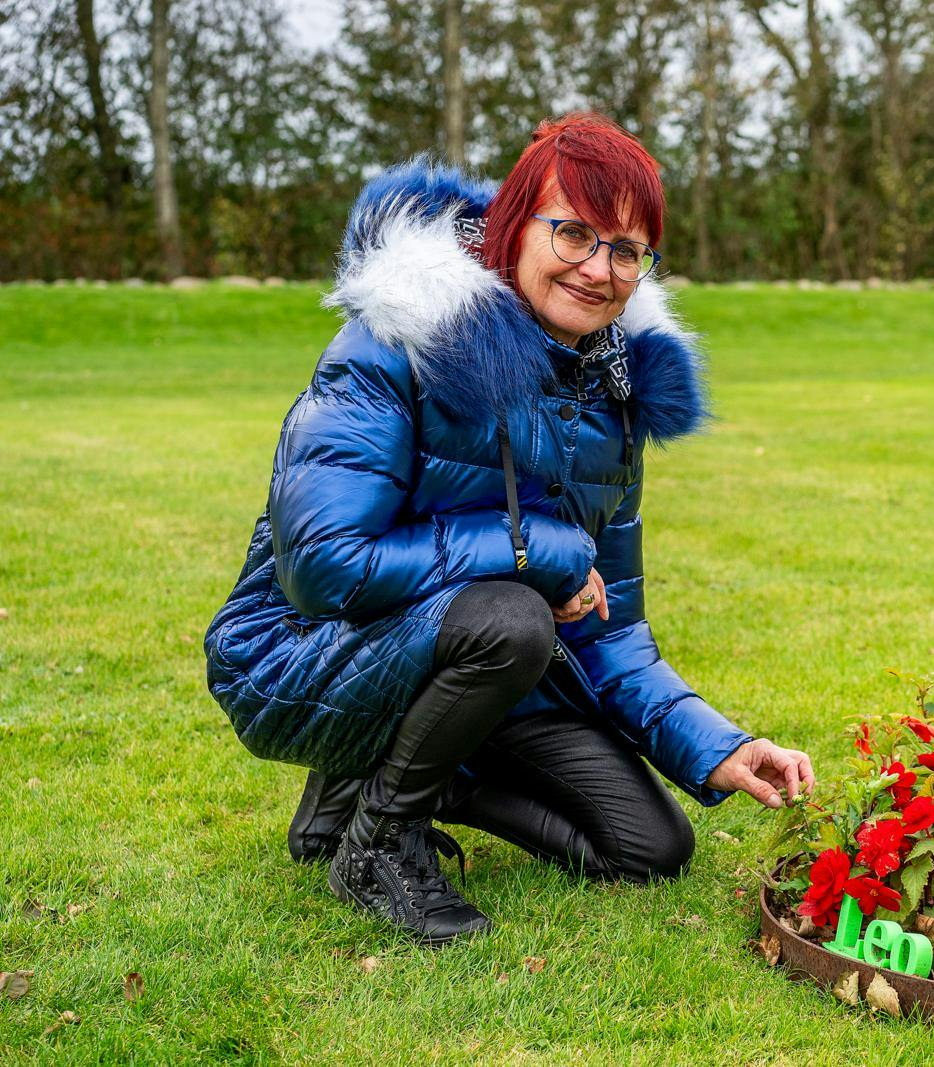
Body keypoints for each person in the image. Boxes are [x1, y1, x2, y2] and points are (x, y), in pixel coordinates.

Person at [204, 113, 814, 945]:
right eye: (573, 233)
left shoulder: (613, 396)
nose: (598, 270)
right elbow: (322, 566)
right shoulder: (395, 337)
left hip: (479, 666)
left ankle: (379, 780)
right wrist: (540, 551)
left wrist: (717, 745)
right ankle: (377, 845)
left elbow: (614, 623)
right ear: (512, 223)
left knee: (648, 846)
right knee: (513, 618)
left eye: (627, 249)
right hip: (303, 649)